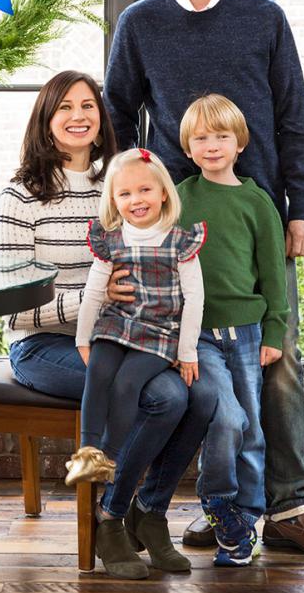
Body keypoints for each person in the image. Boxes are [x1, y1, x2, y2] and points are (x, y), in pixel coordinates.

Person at [103, 0, 304, 557]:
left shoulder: (263, 19)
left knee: (276, 361)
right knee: (199, 368)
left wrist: (301, 206)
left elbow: (294, 116)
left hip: (257, 219)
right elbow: (119, 116)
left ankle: (289, 507)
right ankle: (224, 505)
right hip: (176, 232)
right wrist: (141, 201)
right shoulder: (139, 23)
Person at [0, 70, 218, 580]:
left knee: (201, 396)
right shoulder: (21, 193)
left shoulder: (120, 180)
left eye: (88, 105)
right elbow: (11, 306)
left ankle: (148, 512)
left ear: (102, 116)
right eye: (65, 107)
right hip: (45, 342)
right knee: (164, 398)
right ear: (45, 120)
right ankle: (110, 517)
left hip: (131, 334)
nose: (78, 116)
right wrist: (88, 304)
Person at [177, 94, 288, 567]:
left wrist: (274, 332)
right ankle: (219, 504)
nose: (212, 145)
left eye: (222, 136)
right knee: (225, 420)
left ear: (240, 142)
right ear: (187, 147)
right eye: (201, 137)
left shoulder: (256, 201)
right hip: (197, 336)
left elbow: (273, 274)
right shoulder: (179, 198)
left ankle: (246, 520)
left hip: (246, 334)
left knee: (253, 428)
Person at [65, 148, 205, 493]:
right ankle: (87, 451)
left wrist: (187, 351)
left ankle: (107, 459)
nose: (136, 200)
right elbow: (95, 291)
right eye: (125, 193)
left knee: (128, 383)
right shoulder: (111, 240)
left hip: (159, 332)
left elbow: (195, 299)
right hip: (118, 323)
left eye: (145, 190)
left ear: (162, 192)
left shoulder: (180, 242)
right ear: (113, 200)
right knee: (98, 371)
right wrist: (83, 339)